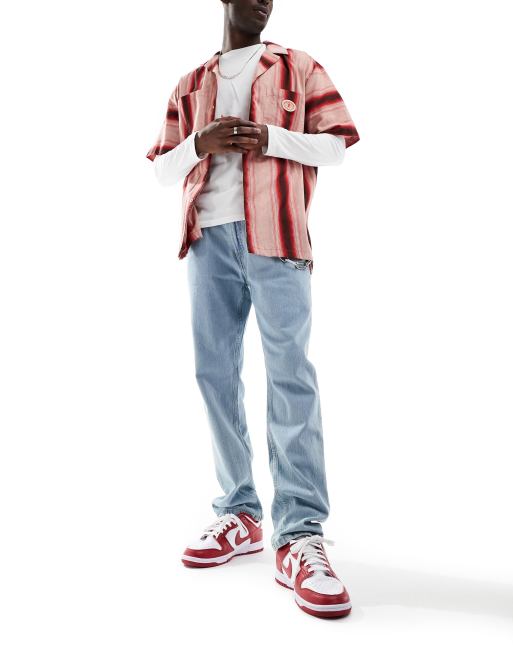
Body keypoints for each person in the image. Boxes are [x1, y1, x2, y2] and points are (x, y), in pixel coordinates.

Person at [146, 0, 360, 619]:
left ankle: (300, 535)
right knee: (214, 373)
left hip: (278, 234)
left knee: (290, 373)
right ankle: (239, 513)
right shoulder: (191, 82)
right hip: (207, 241)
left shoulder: (299, 66)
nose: (265, 0)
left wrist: (268, 137)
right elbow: (162, 169)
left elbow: (336, 147)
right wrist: (201, 142)